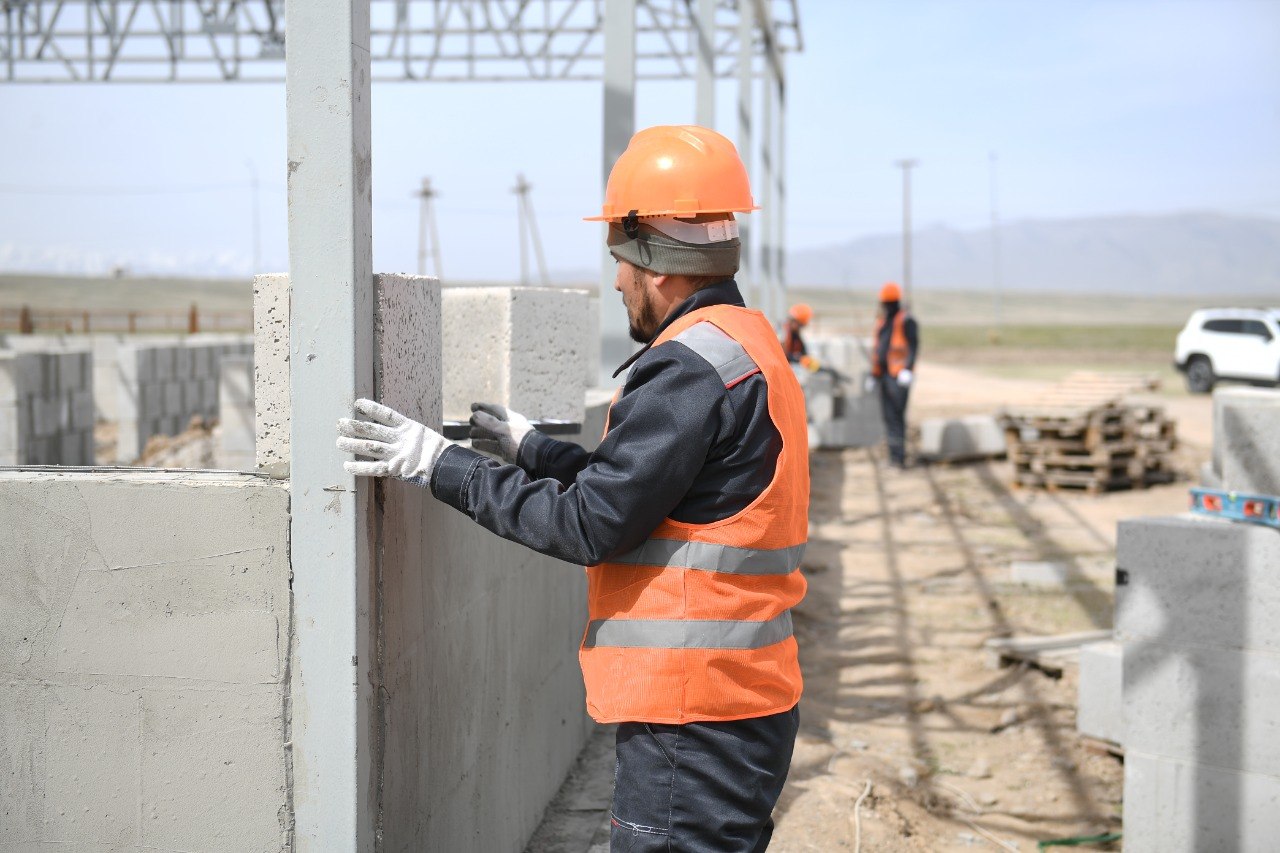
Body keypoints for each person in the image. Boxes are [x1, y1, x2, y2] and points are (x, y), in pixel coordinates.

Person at [335, 125, 808, 852]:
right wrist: (534, 449)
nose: (615, 280)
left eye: (619, 259)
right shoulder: (746, 342)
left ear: (658, 263)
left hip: (694, 720)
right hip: (737, 704)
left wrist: (439, 464)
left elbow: (593, 523)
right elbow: (655, 492)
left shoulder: (686, 367)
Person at [869, 281, 919, 468]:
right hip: (884, 377)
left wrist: (908, 369)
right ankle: (892, 457)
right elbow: (879, 351)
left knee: (897, 417)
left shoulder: (906, 321)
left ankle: (899, 459)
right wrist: (874, 376)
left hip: (898, 377)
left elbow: (913, 347)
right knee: (888, 417)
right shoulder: (883, 322)